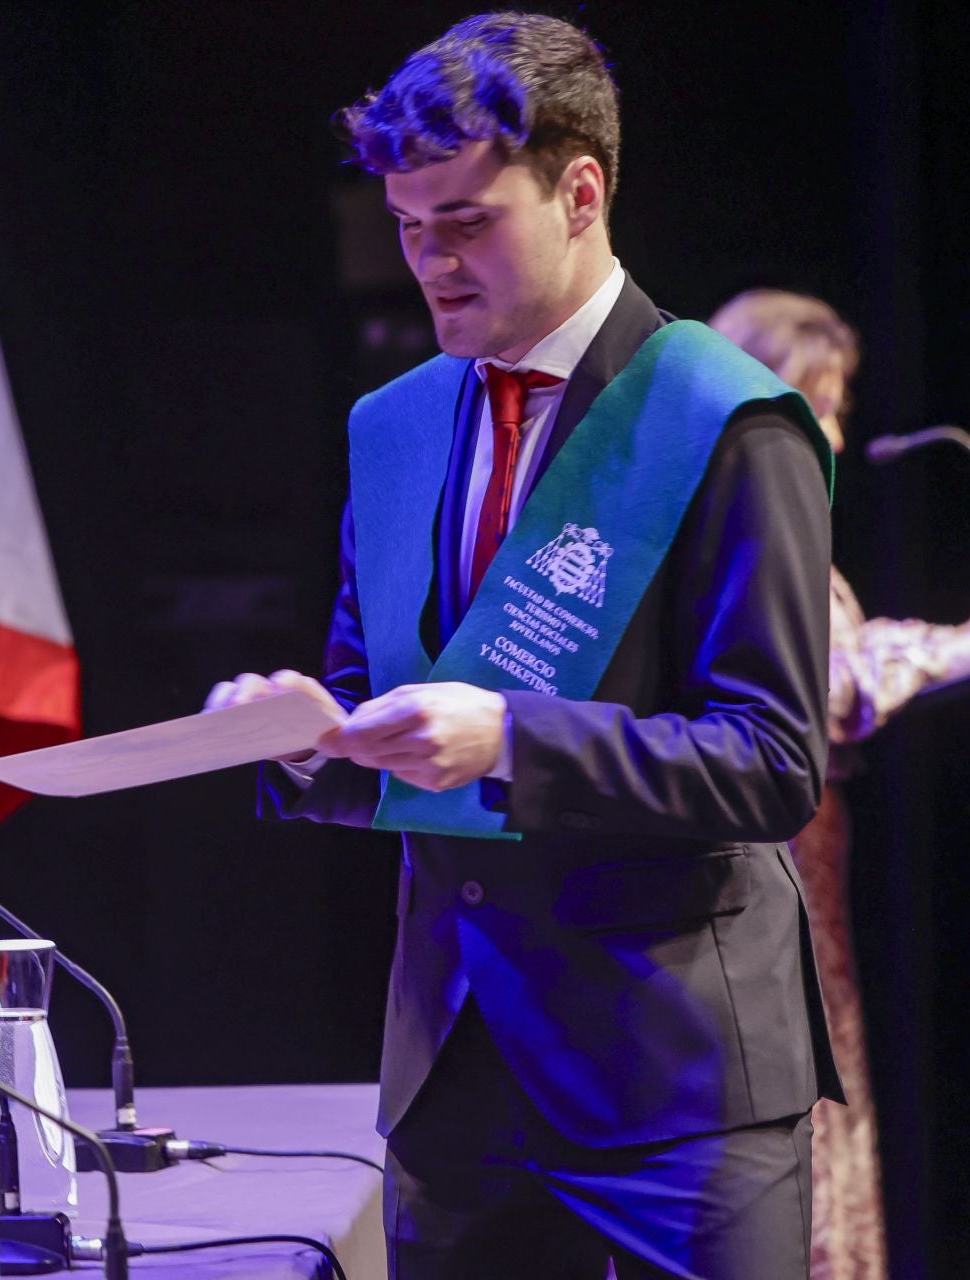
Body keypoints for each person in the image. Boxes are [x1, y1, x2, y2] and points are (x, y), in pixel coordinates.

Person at [206, 13, 840, 1278]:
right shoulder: (392, 424)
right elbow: (368, 706)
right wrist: (294, 733)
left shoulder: (724, 418)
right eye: (405, 224)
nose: (428, 262)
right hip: (455, 1070)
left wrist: (510, 736)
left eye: (465, 221)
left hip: (678, 1087)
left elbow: (770, 764)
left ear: (580, 192)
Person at [710, 289, 970, 1280]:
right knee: (792, 1091)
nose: (831, 431)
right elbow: (831, 683)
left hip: (807, 867)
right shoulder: (734, 528)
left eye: (838, 405)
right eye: (817, 402)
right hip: (762, 871)